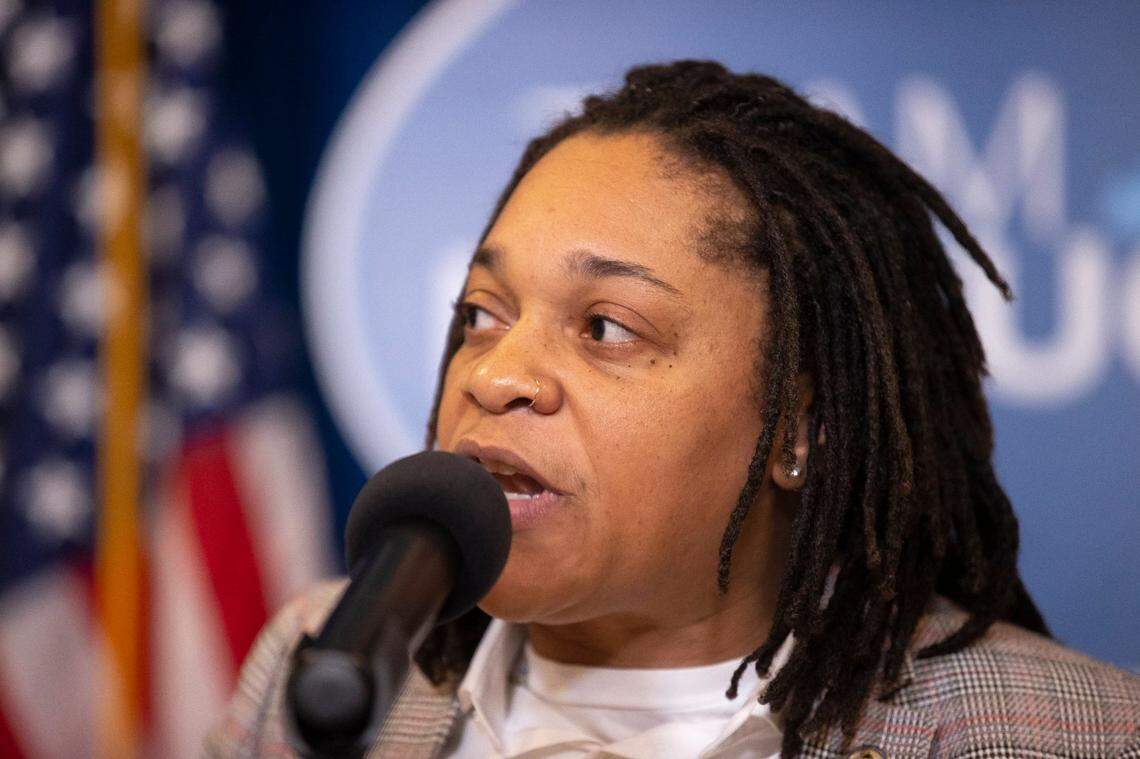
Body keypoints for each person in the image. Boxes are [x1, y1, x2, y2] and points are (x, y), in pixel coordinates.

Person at [207, 61, 1140, 758]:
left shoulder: (1060, 732)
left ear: (797, 426)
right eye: (481, 315)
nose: (497, 376)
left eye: (607, 327)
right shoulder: (322, 664)